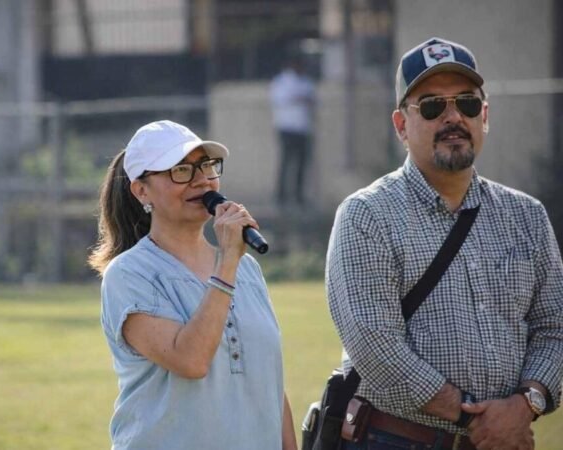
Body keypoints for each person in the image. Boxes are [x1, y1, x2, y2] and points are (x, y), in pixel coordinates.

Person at [326, 37, 563, 449]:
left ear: (484, 115)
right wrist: (477, 417)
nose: (453, 117)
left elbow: (555, 327)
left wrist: (526, 405)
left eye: (467, 103)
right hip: (393, 440)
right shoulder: (366, 215)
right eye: (433, 106)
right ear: (401, 124)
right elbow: (374, 344)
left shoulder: (527, 215)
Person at [88, 120, 298, 450]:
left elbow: (269, 382)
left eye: (207, 166)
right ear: (141, 190)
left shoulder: (247, 269)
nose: (202, 180)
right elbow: (190, 360)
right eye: (181, 170)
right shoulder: (129, 274)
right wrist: (228, 260)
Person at [270, 45, 316, 205]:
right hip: (287, 127)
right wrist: (299, 98)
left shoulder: (306, 81)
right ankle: (281, 196)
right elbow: (281, 100)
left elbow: (311, 100)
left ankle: (298, 196)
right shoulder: (281, 81)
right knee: (286, 162)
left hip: (302, 128)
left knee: (301, 164)